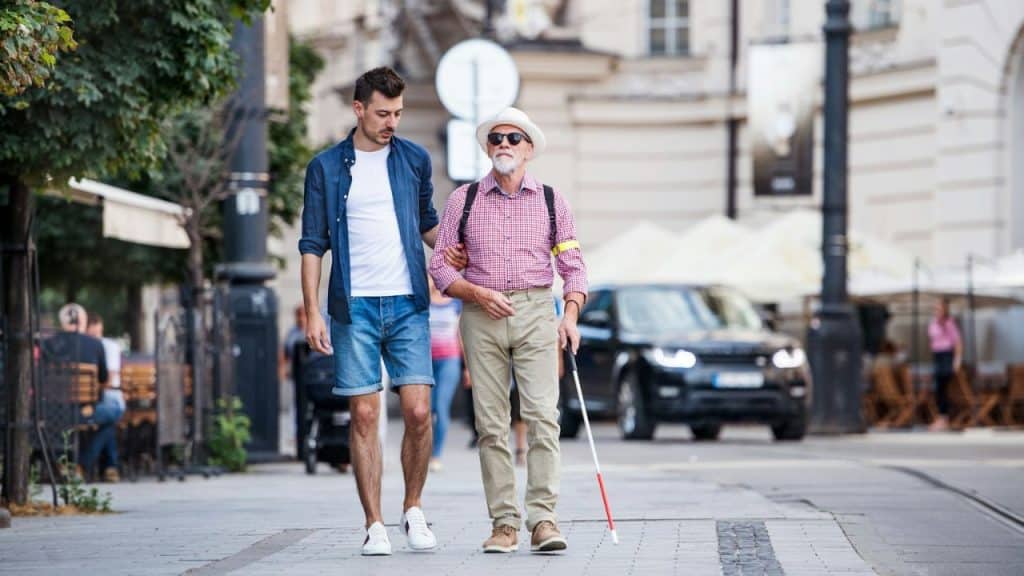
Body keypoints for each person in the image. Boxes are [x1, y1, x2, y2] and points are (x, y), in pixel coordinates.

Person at [298, 66, 464, 556]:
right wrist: (312, 312)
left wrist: (459, 253)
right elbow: (312, 245)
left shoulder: (413, 159)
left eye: (398, 113)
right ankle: (374, 523)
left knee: (418, 411)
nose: (392, 122)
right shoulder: (325, 168)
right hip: (354, 307)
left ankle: (413, 508)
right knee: (365, 415)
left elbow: (429, 227)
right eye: (383, 113)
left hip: (409, 302)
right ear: (359, 109)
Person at [429, 107, 588, 554]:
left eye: (514, 139)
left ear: (529, 149)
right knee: (491, 425)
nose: (504, 144)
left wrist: (570, 315)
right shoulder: (464, 200)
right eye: (496, 138)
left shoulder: (553, 202)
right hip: (481, 315)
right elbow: (439, 265)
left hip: (537, 310)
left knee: (542, 418)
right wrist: (475, 293)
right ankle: (504, 523)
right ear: (487, 147)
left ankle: (543, 520)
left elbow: (573, 266)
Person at [41, 304, 118, 482]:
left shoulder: (48, 344)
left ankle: (62, 463)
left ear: (61, 322)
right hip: (86, 410)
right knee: (114, 415)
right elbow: (103, 379)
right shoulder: (96, 344)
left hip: (55, 411)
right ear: (83, 322)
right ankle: (81, 464)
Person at [427, 277, 462, 472]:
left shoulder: (456, 302)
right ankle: (423, 450)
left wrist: (468, 368)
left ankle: (436, 454)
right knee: (425, 410)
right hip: (426, 361)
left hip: (449, 360)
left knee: (440, 407)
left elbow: (462, 334)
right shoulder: (423, 302)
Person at [927, 298, 962, 431]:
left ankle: (944, 417)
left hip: (947, 356)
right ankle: (942, 417)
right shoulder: (933, 324)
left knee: (944, 387)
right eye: (935, 308)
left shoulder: (949, 323)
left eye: (939, 308)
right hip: (937, 356)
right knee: (938, 388)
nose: (937, 311)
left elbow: (957, 342)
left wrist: (957, 360)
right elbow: (932, 341)